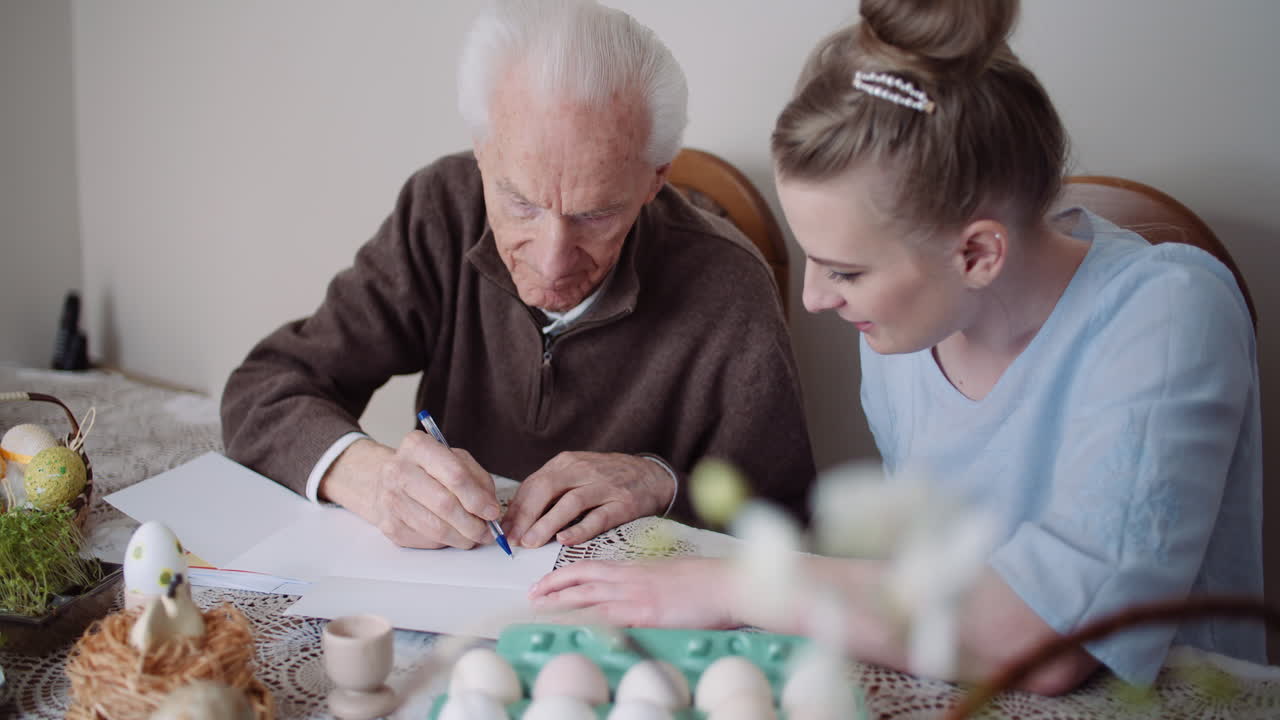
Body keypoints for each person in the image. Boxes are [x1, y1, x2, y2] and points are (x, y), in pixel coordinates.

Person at [529, 0, 1263, 695]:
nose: (814, 296)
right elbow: (912, 586)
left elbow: (1046, 641)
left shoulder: (1168, 314)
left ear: (977, 253)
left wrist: (740, 584)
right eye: (815, 258)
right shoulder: (903, 327)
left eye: (846, 270)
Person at [220, 0, 815, 552]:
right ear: (481, 151)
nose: (553, 259)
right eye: (520, 202)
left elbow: (787, 531)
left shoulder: (730, 287)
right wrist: (366, 474)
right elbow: (265, 388)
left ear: (655, 179)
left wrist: (661, 484)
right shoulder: (442, 209)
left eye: (596, 214)